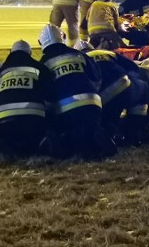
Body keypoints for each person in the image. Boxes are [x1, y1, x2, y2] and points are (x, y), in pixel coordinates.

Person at [38, 23, 108, 159]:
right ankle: (99, 139)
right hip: (92, 106)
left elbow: (45, 95)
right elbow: (97, 78)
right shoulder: (79, 54)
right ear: (62, 37)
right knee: (90, 131)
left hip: (66, 112)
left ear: (41, 43)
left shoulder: (43, 63)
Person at [0, 40, 52, 157]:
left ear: (11, 52)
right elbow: (50, 95)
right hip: (33, 124)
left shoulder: (1, 72)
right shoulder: (39, 68)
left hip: (5, 126)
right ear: (29, 53)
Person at [82, 44, 149, 147]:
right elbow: (134, 69)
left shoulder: (81, 59)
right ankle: (133, 134)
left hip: (98, 97)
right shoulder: (108, 53)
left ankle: (109, 134)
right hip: (122, 84)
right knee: (142, 87)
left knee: (109, 115)